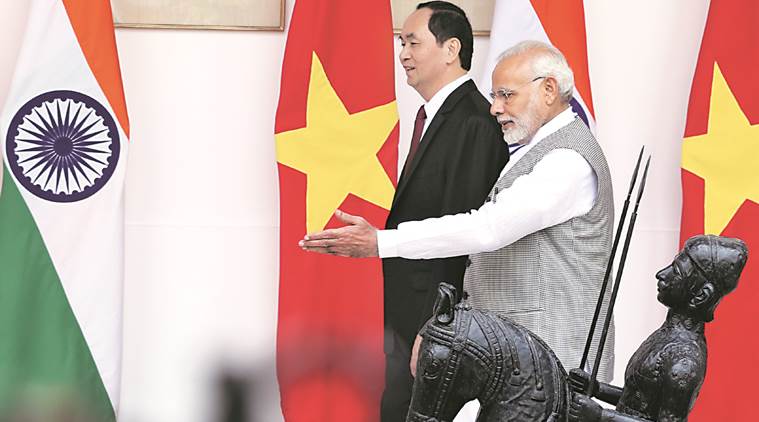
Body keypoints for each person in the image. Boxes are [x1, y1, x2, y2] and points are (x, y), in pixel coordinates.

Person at [301, 40, 616, 382]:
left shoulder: (566, 160)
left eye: (506, 95)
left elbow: (489, 229)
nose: (495, 108)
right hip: (525, 359)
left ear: (549, 90)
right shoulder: (538, 150)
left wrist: (381, 243)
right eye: (494, 96)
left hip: (554, 359)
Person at [361, 2, 509, 420]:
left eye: (413, 41)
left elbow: (463, 233)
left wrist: (438, 328)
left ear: (451, 49)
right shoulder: (435, 115)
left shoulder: (474, 122)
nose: (403, 53)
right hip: (407, 321)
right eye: (400, 42)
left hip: (433, 328)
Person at [568, 235, 748, 422]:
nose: (662, 273)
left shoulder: (685, 360)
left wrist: (600, 416)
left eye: (676, 271)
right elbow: (638, 400)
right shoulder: (668, 335)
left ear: (701, 295)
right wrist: (597, 389)